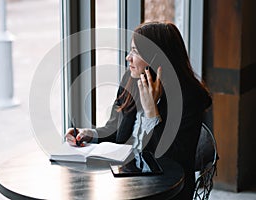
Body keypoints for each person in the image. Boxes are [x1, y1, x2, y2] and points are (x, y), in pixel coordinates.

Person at [66, 21, 212, 199]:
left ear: (156, 58)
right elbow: (116, 131)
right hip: (125, 180)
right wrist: (90, 134)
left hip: (165, 190)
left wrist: (152, 113)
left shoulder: (189, 98)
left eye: (135, 51)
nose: (128, 57)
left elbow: (174, 162)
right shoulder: (131, 80)